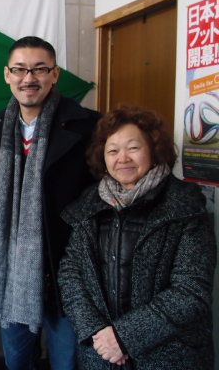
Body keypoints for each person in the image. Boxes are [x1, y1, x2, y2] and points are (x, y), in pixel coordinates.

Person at [58, 106, 216, 369]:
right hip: (101, 353)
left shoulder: (185, 205)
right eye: (112, 151)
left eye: (133, 148)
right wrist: (97, 333)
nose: (123, 158)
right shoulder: (88, 205)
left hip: (169, 354)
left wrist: (124, 337)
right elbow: (70, 274)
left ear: (154, 151)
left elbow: (191, 290)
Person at [0, 36, 100, 370]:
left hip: (67, 271)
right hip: (13, 274)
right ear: (7, 74)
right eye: (20, 69)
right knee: (18, 362)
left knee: (68, 362)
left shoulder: (91, 127)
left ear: (55, 74)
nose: (29, 78)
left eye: (39, 69)